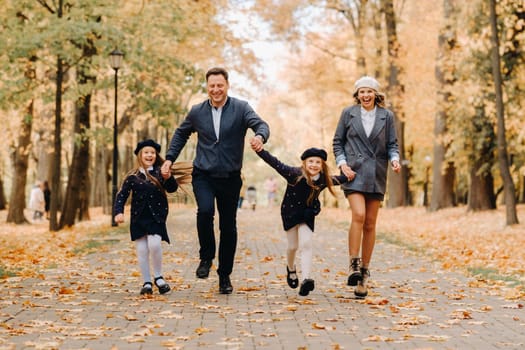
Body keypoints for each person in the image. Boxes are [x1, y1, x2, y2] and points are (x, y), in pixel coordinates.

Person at [161, 67, 270, 294]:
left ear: (227, 85)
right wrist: (170, 159)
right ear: (207, 87)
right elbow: (181, 134)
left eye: (220, 85)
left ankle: (224, 276)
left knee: (228, 227)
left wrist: (259, 137)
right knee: (205, 211)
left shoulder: (241, 108)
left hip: (230, 178)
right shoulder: (197, 111)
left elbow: (261, 125)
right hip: (204, 175)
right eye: (212, 86)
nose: (216, 89)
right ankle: (206, 257)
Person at [332, 76, 401, 298]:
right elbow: (337, 143)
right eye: (361, 92)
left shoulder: (387, 116)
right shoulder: (348, 113)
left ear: (376, 94)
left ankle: (364, 274)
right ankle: (353, 262)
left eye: (369, 92)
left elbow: (392, 144)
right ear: (357, 94)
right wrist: (342, 165)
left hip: (377, 172)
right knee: (359, 215)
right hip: (353, 172)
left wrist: (395, 159)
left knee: (370, 224)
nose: (365, 96)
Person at [253, 145, 348, 296]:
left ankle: (306, 280)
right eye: (311, 161)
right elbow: (274, 162)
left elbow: (343, 178)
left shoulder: (323, 179)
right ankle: (291, 269)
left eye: (318, 162)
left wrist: (353, 172)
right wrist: (259, 150)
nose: (314, 165)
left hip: (307, 214)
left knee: (306, 244)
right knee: (293, 246)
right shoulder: (293, 174)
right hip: (290, 213)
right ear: (304, 162)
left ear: (322, 165)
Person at [114, 139, 179, 295]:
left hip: (157, 217)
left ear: (156, 155)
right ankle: (147, 282)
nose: (150, 155)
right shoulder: (132, 177)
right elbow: (121, 196)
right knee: (142, 250)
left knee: (155, 245)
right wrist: (118, 212)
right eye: (146, 152)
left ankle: (158, 277)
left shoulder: (160, 173)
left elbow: (172, 188)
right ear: (140, 156)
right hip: (138, 218)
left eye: (152, 153)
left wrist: (168, 176)